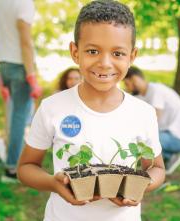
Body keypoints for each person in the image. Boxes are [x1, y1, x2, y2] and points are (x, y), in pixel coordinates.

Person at [18, 1, 165, 220]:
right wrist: (53, 183)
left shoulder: (143, 112)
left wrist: (139, 187)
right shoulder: (52, 108)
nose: (105, 63)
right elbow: (26, 167)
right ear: (75, 52)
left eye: (118, 53)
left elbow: (157, 169)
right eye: (93, 51)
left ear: (132, 56)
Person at [0, 0, 42, 182]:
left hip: (4, 65)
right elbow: (25, 42)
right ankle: (12, 169)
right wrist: (31, 76)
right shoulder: (24, 3)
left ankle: (14, 156)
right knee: (20, 118)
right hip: (19, 67)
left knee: (13, 114)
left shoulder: (2, 2)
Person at [124, 66, 180, 175]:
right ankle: (166, 155)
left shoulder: (156, 91)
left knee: (144, 140)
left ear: (135, 79)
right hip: (165, 133)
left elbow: (155, 120)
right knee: (140, 138)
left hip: (178, 138)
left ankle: (171, 155)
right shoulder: (140, 96)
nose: (127, 88)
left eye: (126, 84)